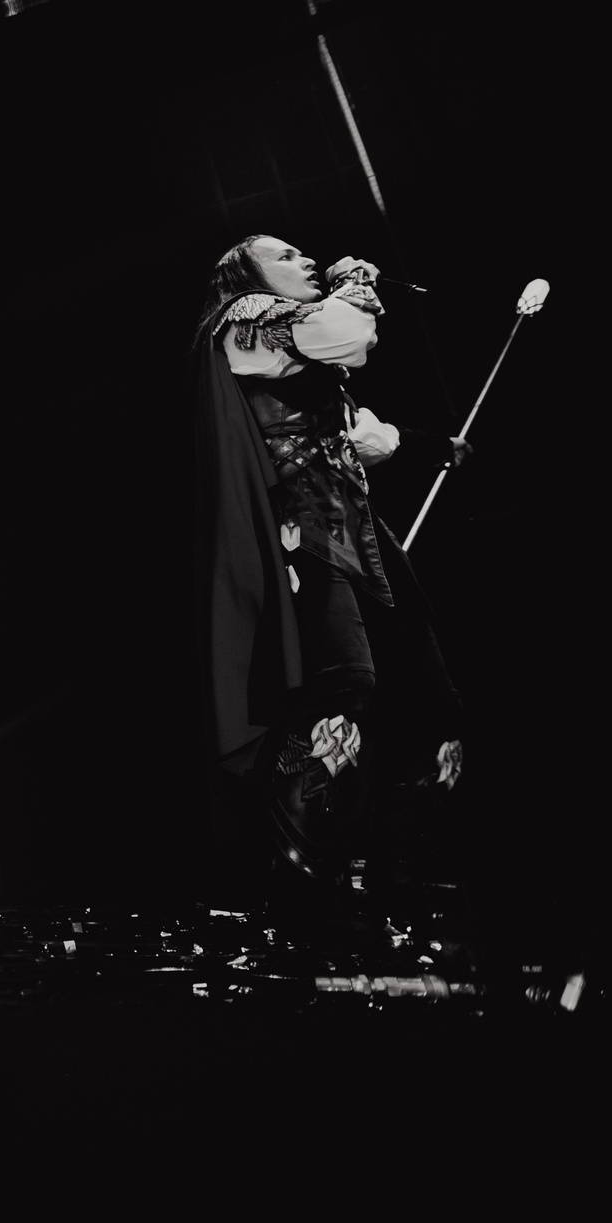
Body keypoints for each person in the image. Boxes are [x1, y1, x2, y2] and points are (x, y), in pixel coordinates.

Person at [192, 234, 465, 888]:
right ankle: (304, 870)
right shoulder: (244, 322)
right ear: (246, 275)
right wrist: (352, 287)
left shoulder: (295, 352)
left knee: (412, 677)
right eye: (283, 256)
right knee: (338, 685)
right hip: (292, 537)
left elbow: (360, 421)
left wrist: (424, 445)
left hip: (339, 529)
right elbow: (344, 334)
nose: (303, 260)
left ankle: (375, 854)